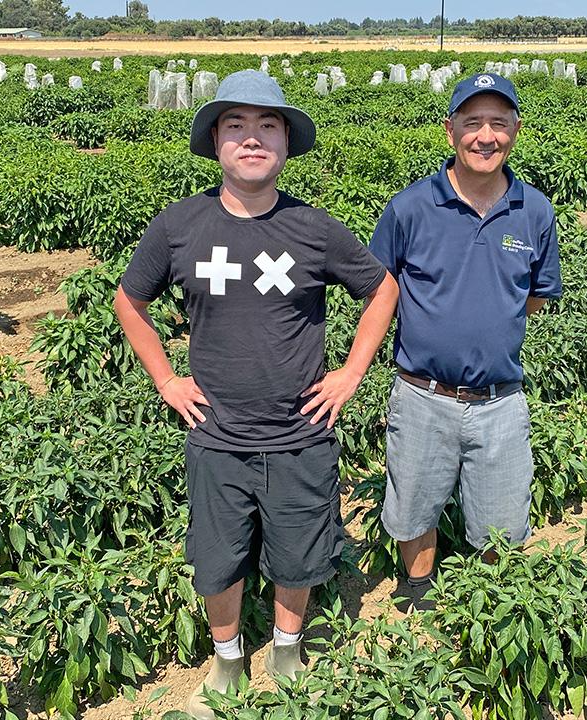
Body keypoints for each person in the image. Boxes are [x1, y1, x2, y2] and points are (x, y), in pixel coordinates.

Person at [113, 70, 398, 717]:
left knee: (298, 555)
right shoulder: (180, 225)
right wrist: (165, 378)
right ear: (215, 140)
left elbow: (381, 290)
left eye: (268, 125)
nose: (252, 138)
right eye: (236, 125)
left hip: (300, 434)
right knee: (217, 560)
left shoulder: (313, 229)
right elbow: (130, 300)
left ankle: (288, 649)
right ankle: (228, 661)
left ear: (285, 143)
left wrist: (351, 373)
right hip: (218, 438)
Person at [368, 72, 561, 603]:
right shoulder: (410, 207)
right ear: (450, 130)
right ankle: (418, 590)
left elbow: (535, 296)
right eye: (472, 122)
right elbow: (382, 290)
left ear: (516, 131)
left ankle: (490, 605)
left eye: (499, 123)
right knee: (413, 507)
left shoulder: (535, 211)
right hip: (423, 393)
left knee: (501, 520)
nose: (485, 135)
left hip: (500, 400)